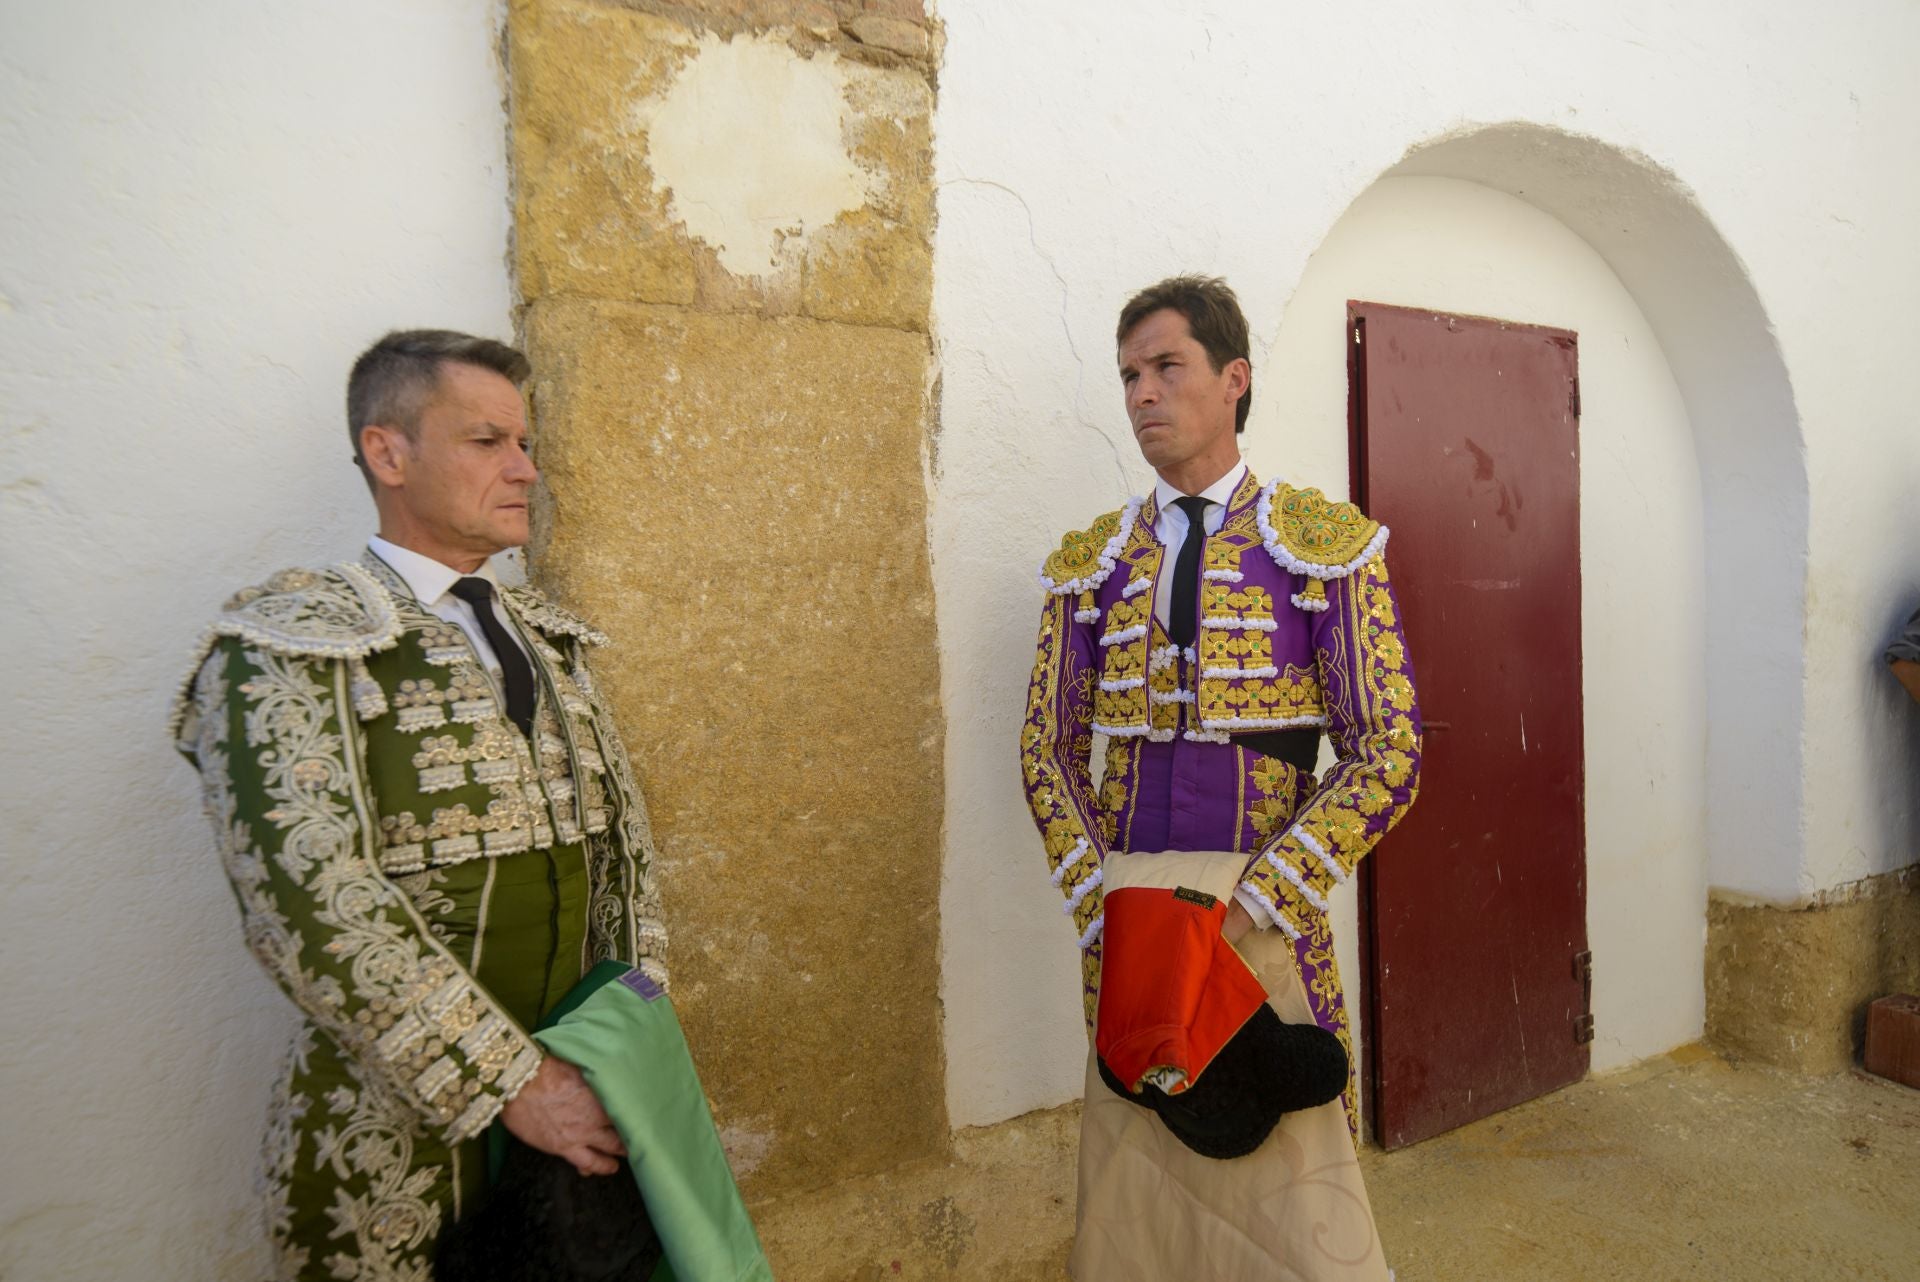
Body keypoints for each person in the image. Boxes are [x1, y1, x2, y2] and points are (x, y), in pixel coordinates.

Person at [170, 330, 669, 1279]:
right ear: (387, 453)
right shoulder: (288, 641)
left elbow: (626, 870)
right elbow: (306, 903)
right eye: (489, 442)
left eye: (526, 446)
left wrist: (627, 1059)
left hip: (578, 1119)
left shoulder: (552, 642)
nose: (525, 470)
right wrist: (513, 1081)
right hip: (384, 1139)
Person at [1019, 276, 1423, 1278]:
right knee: (1143, 1187)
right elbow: (1045, 748)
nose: (1142, 394)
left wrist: (1261, 898)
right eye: (1127, 376)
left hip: (1260, 922)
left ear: (1233, 379)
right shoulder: (1091, 563)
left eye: (1167, 366)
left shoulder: (1321, 549)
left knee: (1287, 1191)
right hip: (1133, 921)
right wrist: (1099, 898)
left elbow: (1389, 748)